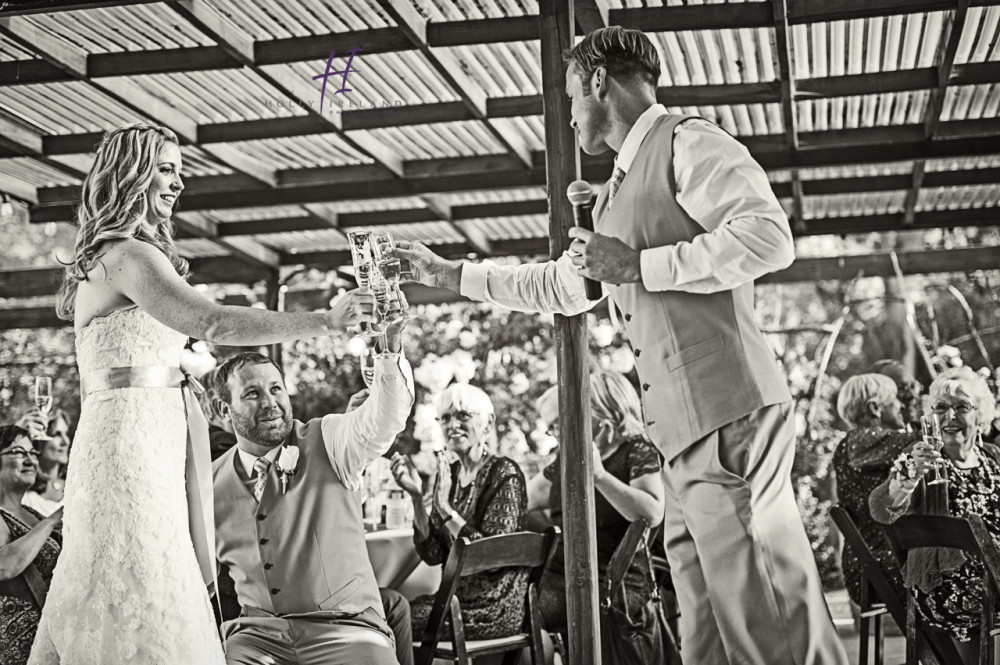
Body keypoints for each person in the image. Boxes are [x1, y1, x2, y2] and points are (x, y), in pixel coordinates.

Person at [393, 26, 846, 665]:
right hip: (682, 435)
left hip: (729, 415)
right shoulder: (613, 193)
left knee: (770, 615)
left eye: (572, 94)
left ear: (599, 81)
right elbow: (560, 285)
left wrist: (639, 265)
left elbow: (769, 237)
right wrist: (447, 274)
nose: (571, 112)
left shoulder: (689, 140)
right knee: (707, 629)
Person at [31, 123, 377, 665]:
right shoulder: (127, 255)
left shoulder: (121, 255)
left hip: (141, 437)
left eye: (179, 170)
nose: (179, 182)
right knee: (138, 575)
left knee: (143, 575)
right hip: (129, 450)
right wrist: (324, 320)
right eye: (166, 169)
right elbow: (213, 322)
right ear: (132, 175)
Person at [211, 342, 413, 665]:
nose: (270, 403)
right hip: (257, 638)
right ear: (224, 410)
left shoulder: (330, 440)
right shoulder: (208, 483)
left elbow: (384, 419)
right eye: (252, 393)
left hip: (348, 630)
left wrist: (388, 350)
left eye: (276, 389)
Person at [870, 366, 1000, 664]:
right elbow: (880, 507)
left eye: (961, 407)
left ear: (980, 417)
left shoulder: (993, 457)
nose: (950, 416)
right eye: (941, 407)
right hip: (949, 584)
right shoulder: (923, 461)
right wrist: (907, 478)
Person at [528, 373, 665, 654]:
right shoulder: (567, 457)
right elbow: (525, 498)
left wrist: (599, 476)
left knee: (523, 615)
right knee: (503, 608)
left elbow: (652, 512)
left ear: (602, 413)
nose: (568, 425)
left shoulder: (636, 449)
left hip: (608, 583)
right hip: (564, 574)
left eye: (575, 413)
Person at [390, 383, 528, 641]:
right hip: (453, 600)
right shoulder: (450, 476)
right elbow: (432, 554)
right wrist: (418, 498)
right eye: (445, 418)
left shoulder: (504, 473)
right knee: (387, 614)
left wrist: (446, 510)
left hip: (493, 606)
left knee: (395, 620)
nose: (452, 424)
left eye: (463, 416)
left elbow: (491, 556)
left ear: (487, 424)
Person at [832, 373, 919, 608]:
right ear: (875, 408)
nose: (901, 405)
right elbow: (929, 442)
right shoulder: (863, 440)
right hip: (877, 568)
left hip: (873, 563)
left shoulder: (855, 442)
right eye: (895, 399)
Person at [0, 425, 63, 665]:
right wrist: (52, 521)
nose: (30, 460)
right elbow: (5, 565)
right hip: (16, 652)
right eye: (18, 452)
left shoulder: (30, 513)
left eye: (33, 454)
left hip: (51, 641)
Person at [16, 410, 70, 517]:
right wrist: (17, 435)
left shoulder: (75, 483)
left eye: (66, 433)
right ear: (37, 441)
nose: (65, 442)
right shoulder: (21, 492)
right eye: (56, 434)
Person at [871, 359, 923, 431]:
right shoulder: (875, 440)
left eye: (913, 386)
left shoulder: (927, 432)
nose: (912, 395)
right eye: (901, 388)